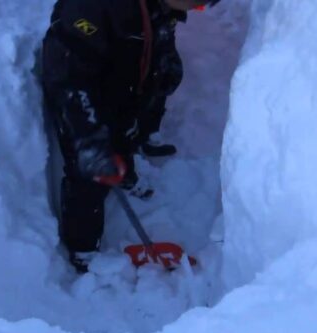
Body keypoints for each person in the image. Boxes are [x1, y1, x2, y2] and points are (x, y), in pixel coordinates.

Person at [40, 0, 221, 273]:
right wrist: (89, 138)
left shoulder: (162, 4)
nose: (194, 9)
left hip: (122, 95)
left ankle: (124, 174)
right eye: (195, 3)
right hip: (83, 108)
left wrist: (165, 62)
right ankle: (83, 251)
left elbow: (152, 35)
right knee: (88, 178)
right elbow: (68, 75)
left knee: (124, 138)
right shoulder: (93, 7)